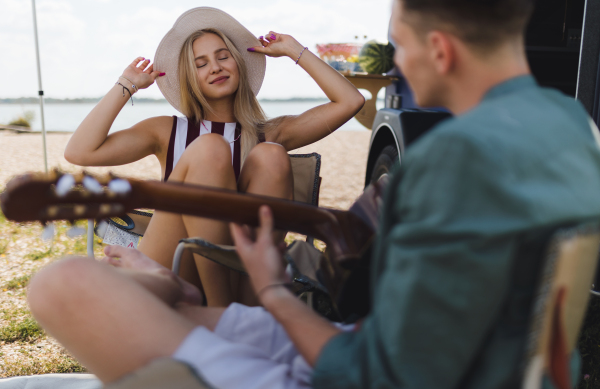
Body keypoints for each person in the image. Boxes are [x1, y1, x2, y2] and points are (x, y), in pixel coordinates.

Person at [27, 0, 600, 388]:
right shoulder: (573, 127)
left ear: (441, 51)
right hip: (398, 347)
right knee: (170, 295)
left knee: (62, 285)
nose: (392, 64)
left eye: (397, 46)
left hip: (351, 367)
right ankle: (180, 290)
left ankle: (177, 292)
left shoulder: (449, 163)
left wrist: (275, 292)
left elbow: (372, 364)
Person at [62, 8, 365, 307]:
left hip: (244, 277)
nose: (216, 68)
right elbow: (80, 151)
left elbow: (351, 101)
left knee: (272, 155)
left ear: (239, 63)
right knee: (210, 148)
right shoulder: (166, 131)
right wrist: (126, 85)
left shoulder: (270, 134)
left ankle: (250, 307)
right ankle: (223, 312)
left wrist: (294, 51)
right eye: (201, 63)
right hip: (175, 266)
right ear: (190, 77)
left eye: (223, 56)